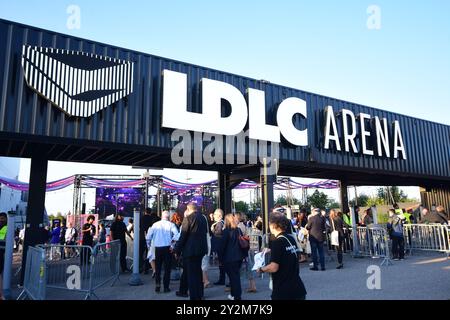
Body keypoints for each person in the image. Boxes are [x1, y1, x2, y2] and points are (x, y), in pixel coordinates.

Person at [257, 213, 307, 300]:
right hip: (297, 287)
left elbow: (274, 267)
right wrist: (272, 251)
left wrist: (261, 269)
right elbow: (289, 253)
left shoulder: (277, 242)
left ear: (273, 225)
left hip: (283, 290)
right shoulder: (290, 238)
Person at [174, 202, 208, 301]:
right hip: (201, 250)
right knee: (197, 273)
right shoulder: (202, 218)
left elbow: (183, 236)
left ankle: (194, 297)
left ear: (188, 209)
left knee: (191, 275)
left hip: (190, 251)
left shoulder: (188, 218)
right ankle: (200, 294)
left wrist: (177, 249)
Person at [146, 210, 179, 293]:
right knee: (167, 268)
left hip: (158, 248)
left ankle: (158, 285)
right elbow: (177, 235)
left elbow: (148, 237)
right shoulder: (171, 224)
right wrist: (172, 245)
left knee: (158, 268)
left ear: (161, 216)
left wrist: (149, 245)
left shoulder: (155, 225)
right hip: (167, 248)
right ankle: (166, 287)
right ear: (168, 217)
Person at [219, 213, 245, 300]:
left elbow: (222, 246)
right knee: (235, 276)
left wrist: (220, 258)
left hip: (229, 258)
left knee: (233, 278)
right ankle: (234, 294)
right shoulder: (238, 230)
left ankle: (236, 296)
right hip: (239, 257)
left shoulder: (226, 231)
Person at [141, 207, 160, 275]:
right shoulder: (153, 219)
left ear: (145, 211)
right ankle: (153, 268)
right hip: (155, 241)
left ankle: (143, 268)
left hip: (144, 238)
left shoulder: (142, 218)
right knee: (152, 255)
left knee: (146, 254)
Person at [211, 209, 226, 285]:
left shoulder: (220, 223)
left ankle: (222, 280)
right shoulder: (221, 223)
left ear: (219, 215)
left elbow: (218, 233)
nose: (214, 216)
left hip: (220, 247)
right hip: (221, 246)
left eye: (215, 214)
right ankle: (222, 279)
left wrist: (212, 230)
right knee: (222, 263)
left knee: (221, 263)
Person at [0, 212, 7, 300]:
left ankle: (1, 295)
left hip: (1, 252)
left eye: (2, 218)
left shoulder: (6, 228)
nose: (1, 220)